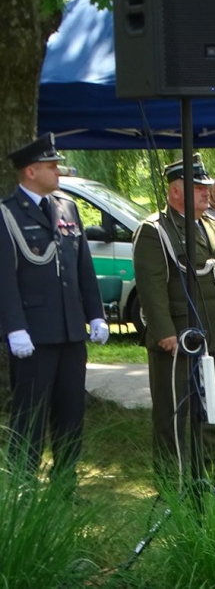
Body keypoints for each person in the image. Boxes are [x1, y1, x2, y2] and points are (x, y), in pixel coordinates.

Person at [133, 157, 215, 487]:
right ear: (175, 192)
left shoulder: (213, 225)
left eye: (205, 186)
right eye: (198, 188)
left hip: (213, 332)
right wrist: (163, 332)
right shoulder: (155, 230)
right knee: (173, 412)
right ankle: (171, 480)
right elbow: (151, 286)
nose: (207, 192)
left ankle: (213, 474)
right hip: (176, 337)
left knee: (212, 408)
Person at [0, 133, 107, 487]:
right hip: (33, 333)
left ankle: (66, 482)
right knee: (29, 414)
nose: (57, 171)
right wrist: (14, 327)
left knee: (71, 411)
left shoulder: (67, 207)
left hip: (70, 330)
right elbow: (4, 278)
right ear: (30, 172)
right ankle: (23, 485)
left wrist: (95, 314)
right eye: (50, 166)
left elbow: (82, 268)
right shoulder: (7, 214)